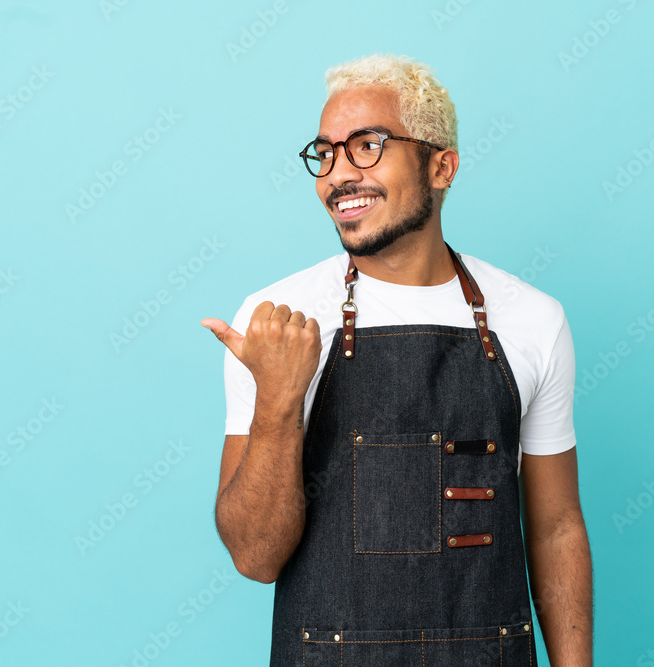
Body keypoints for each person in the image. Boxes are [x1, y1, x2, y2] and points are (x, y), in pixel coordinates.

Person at [203, 53, 592, 666]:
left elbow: (557, 526)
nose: (337, 175)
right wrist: (278, 401)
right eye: (325, 153)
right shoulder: (277, 320)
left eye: (368, 146)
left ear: (442, 166)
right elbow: (256, 557)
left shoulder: (532, 319)